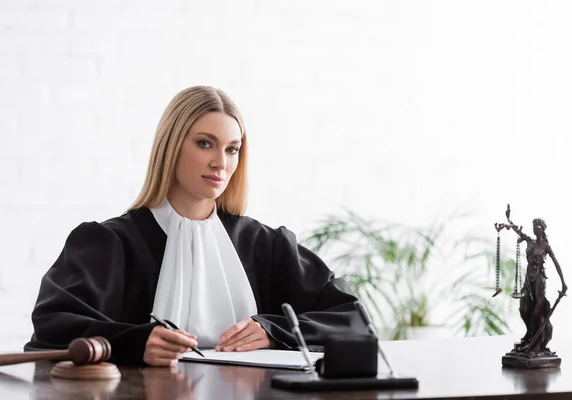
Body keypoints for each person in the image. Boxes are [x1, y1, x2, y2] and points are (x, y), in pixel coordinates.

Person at [24, 86, 367, 366]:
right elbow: (53, 325)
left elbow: (354, 319)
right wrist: (136, 342)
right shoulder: (108, 243)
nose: (220, 162)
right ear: (171, 146)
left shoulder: (264, 245)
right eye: (205, 143)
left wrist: (274, 331)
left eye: (232, 149)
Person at [510, 218, 567, 354]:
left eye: (538, 226)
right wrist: (509, 221)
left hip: (539, 279)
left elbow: (556, 264)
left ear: (543, 228)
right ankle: (529, 333)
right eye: (533, 225)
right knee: (523, 309)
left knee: (537, 310)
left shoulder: (546, 246)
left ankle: (535, 341)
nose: (535, 227)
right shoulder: (530, 241)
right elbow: (519, 231)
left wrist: (563, 282)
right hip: (528, 279)